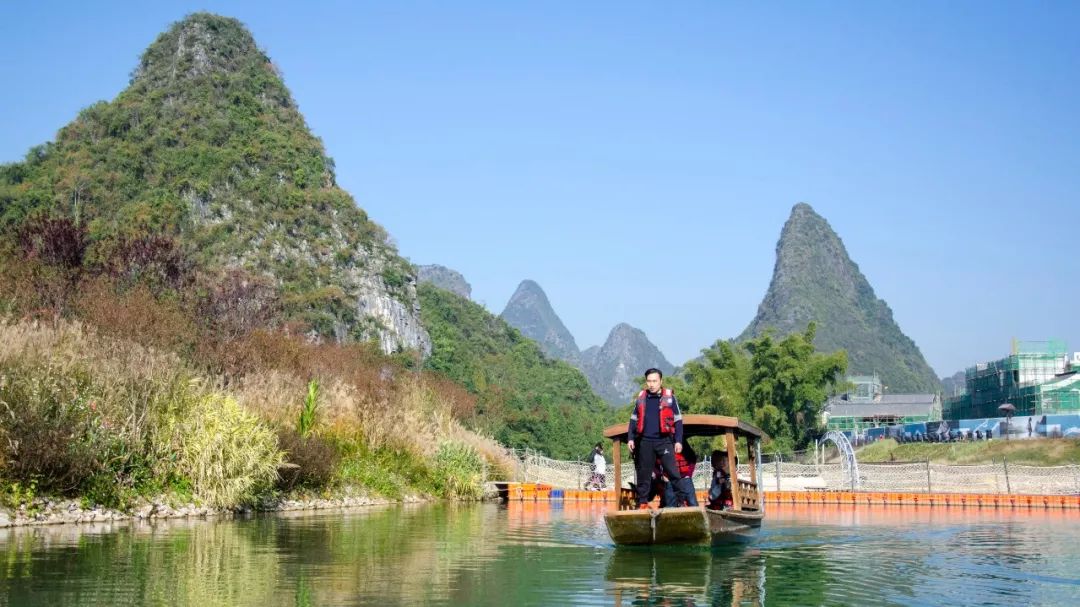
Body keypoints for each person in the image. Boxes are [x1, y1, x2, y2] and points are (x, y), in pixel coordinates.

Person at [627, 368, 695, 510]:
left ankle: (681, 501)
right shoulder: (641, 397)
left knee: (673, 473)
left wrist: (678, 441)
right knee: (643, 474)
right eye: (649, 381)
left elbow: (678, 420)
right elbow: (633, 419)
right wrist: (631, 438)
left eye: (654, 381)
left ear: (661, 381)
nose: (651, 384)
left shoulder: (670, 397)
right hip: (645, 441)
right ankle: (643, 503)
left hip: (664, 441)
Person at [661, 441, 699, 507]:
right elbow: (658, 461)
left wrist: (688, 474)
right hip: (670, 480)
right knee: (670, 504)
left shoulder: (684, 444)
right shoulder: (664, 443)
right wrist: (663, 475)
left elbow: (693, 458)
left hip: (685, 479)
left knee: (692, 502)